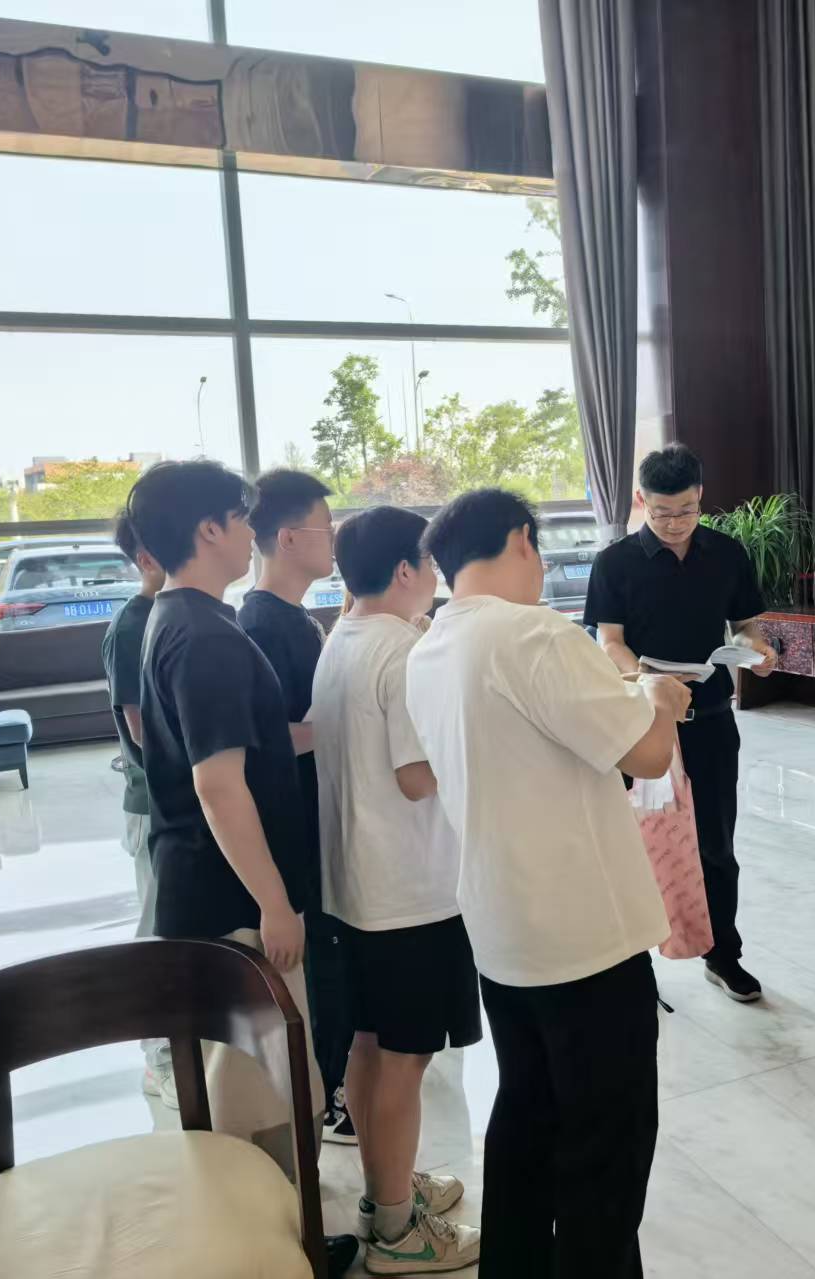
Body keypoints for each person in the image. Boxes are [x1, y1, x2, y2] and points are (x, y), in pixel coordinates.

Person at [405, 488, 692, 1278]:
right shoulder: (532, 632)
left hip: (503, 928)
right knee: (606, 1146)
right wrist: (658, 697)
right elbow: (646, 753)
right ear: (523, 541)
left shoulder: (428, 647)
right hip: (583, 935)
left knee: (527, 1116)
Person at [124, 460, 357, 1276]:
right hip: (231, 902)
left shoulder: (181, 617)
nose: (248, 531)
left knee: (261, 1086)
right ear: (209, 530)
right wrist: (275, 903)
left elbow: (244, 753)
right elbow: (218, 785)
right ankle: (269, 1250)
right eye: (238, 517)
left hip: (209, 889)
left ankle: (276, 1238)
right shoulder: (206, 637)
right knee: (256, 1097)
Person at [310, 506, 482, 1274]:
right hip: (409, 892)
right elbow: (417, 776)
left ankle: (384, 1188)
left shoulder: (341, 637)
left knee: (369, 1046)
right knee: (406, 1062)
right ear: (406, 570)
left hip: (355, 885)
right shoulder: (405, 651)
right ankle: (396, 1230)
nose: (437, 575)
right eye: (431, 562)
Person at [584, 444, 777, 1003]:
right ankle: (633, 965)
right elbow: (609, 642)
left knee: (716, 843)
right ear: (641, 501)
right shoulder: (615, 562)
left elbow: (745, 627)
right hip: (640, 724)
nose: (675, 523)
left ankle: (723, 954)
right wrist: (647, 680)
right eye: (662, 512)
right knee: (637, 842)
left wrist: (757, 650)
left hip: (710, 719)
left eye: (687, 510)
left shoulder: (726, 553)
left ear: (701, 498)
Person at [238, 468, 356, 1146]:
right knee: (324, 967)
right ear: (288, 538)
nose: (333, 539)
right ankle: (334, 1095)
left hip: (319, 816)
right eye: (325, 528)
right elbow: (268, 737)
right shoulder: (260, 623)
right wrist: (346, 723)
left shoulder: (293, 615)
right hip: (297, 825)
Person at [100, 509, 172, 1106]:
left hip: (179, 801)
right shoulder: (133, 625)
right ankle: (158, 1058)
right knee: (157, 928)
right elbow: (142, 727)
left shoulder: (179, 610)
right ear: (147, 558)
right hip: (155, 802)